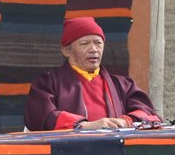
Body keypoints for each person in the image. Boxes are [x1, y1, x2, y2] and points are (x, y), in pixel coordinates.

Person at [24, 17, 161, 131]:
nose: (94, 49)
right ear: (66, 51)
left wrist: (125, 121)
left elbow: (149, 115)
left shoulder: (123, 85)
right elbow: (40, 116)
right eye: (85, 44)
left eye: (98, 43)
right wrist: (84, 125)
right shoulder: (48, 83)